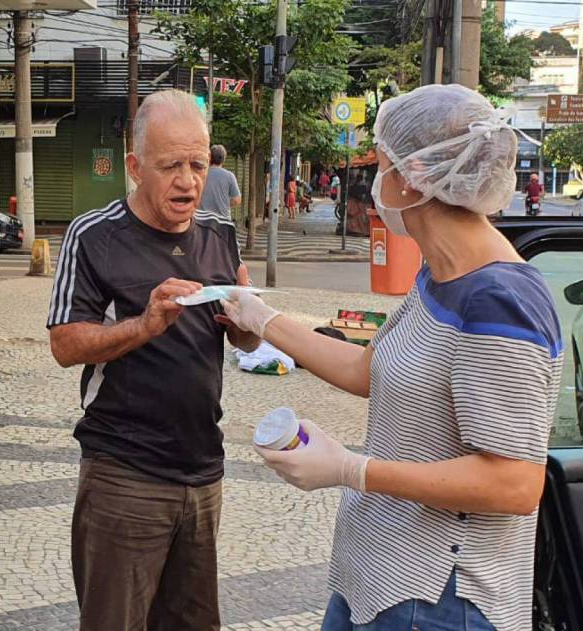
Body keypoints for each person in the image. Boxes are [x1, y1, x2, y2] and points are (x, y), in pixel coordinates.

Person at [221, 84, 563, 631]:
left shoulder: (499, 302)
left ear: (413, 178)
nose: (376, 184)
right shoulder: (439, 272)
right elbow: (369, 368)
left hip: (441, 598)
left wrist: (351, 469)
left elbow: (515, 483)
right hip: (379, 580)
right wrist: (263, 321)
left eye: (381, 167)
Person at [47, 90, 260, 631]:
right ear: (136, 167)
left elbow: (245, 344)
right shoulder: (93, 236)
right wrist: (143, 325)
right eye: (171, 166)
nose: (189, 181)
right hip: (124, 472)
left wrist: (246, 327)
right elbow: (65, 345)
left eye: (199, 163)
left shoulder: (221, 235)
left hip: (203, 469)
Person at [200, 143, 242, 220]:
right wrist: (225, 203)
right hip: (223, 221)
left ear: (210, 158)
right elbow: (237, 199)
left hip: (202, 220)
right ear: (224, 159)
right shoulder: (229, 176)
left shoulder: (201, 174)